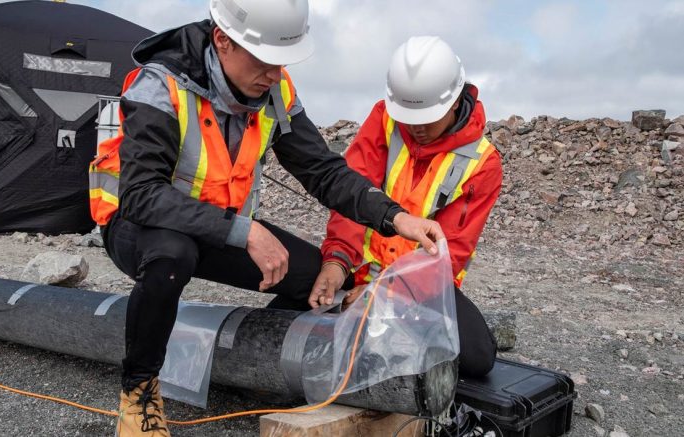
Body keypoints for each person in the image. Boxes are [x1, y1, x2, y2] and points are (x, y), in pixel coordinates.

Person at [89, 2, 445, 435]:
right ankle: (139, 392)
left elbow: (323, 171)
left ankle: (255, 365)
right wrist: (246, 231)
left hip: (219, 228)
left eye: (283, 62)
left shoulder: (275, 91)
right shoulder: (161, 85)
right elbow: (142, 195)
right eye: (266, 61)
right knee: (172, 256)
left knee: (315, 278)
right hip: (139, 228)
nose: (276, 74)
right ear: (223, 40)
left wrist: (395, 217)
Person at [309, 36, 502, 378]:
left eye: (427, 117)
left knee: (478, 355)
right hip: (354, 271)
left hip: (418, 290)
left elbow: (449, 253)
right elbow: (351, 196)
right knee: (292, 309)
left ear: (455, 102)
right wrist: (336, 260)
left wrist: (383, 295)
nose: (416, 127)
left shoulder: (481, 163)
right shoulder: (385, 120)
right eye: (409, 116)